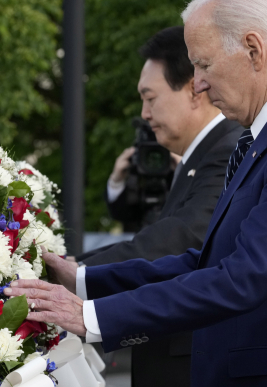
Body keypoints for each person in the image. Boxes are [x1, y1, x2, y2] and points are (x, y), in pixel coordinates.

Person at [6, 0, 267, 387]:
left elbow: (241, 278)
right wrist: (81, 279)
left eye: (203, 64)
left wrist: (89, 316)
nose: (197, 83)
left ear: (253, 50)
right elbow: (207, 261)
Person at [74, 26, 243, 386]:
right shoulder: (200, 156)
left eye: (150, 98)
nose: (145, 113)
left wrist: (76, 275)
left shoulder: (227, 151)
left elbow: (183, 237)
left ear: (194, 90)